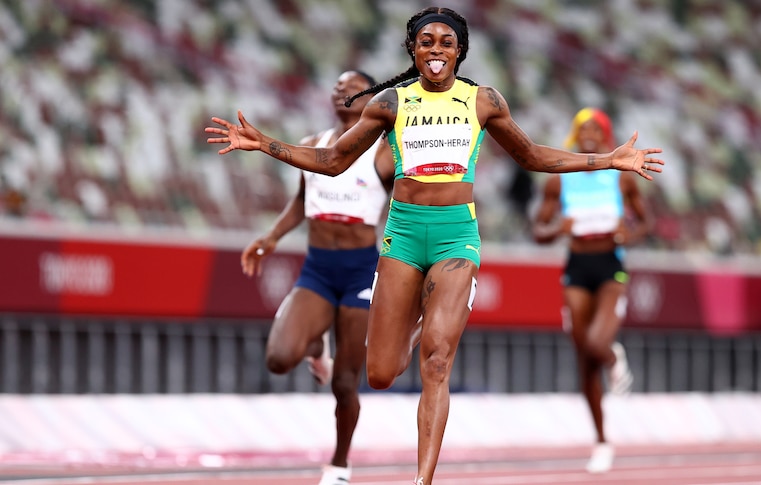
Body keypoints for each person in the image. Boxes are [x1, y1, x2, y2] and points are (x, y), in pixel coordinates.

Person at [206, 7, 664, 484]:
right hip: (403, 235)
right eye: (427, 42)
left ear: (460, 51)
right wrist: (266, 144)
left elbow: (533, 155)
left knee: (438, 362)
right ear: (413, 49)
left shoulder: (483, 100)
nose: (437, 50)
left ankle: (422, 479)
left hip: (455, 235)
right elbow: (332, 160)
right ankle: (418, 321)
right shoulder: (389, 103)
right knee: (381, 373)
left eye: (447, 42)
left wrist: (608, 160)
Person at [239, 70, 394, 485]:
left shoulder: (384, 153)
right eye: (336, 87)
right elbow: (301, 201)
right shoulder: (313, 145)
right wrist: (271, 237)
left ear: (372, 99)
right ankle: (314, 339)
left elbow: (414, 201)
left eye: (351, 87)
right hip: (319, 268)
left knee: (345, 382)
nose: (341, 91)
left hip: (361, 270)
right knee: (278, 358)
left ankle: (340, 463)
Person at [532, 107, 653, 473]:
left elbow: (646, 223)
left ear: (604, 135)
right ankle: (601, 440)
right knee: (584, 359)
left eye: (594, 129)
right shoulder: (561, 177)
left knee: (598, 345)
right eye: (580, 128)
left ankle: (614, 358)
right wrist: (558, 230)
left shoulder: (621, 177)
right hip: (577, 267)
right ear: (574, 134)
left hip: (610, 267)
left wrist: (626, 236)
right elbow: (539, 231)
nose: (587, 134)